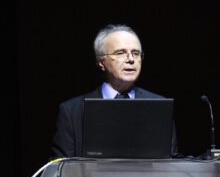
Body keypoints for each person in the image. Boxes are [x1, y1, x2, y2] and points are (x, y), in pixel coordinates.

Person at [51, 24, 177, 157]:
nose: (131, 59)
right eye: (120, 53)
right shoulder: (72, 111)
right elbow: (62, 165)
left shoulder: (161, 108)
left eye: (136, 53)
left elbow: (172, 163)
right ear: (101, 62)